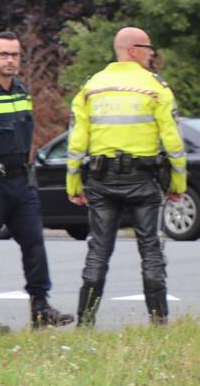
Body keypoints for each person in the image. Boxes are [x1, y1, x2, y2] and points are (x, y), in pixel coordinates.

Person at [66, 26, 187, 326]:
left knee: (98, 251)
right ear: (133, 50)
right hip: (143, 180)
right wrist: (177, 183)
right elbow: (173, 143)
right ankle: (159, 322)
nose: (152, 54)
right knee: (151, 251)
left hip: (101, 179)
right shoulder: (156, 88)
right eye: (148, 48)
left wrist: (74, 183)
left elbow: (76, 142)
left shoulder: (91, 87)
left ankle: (85, 322)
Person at [0, 31, 73, 332]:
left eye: (15, 55)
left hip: (20, 182)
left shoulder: (21, 91)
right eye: (4, 54)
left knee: (34, 243)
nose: (10, 60)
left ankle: (41, 307)